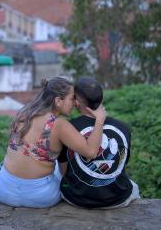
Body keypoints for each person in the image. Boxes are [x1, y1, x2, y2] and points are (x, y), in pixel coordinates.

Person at [0, 77, 107, 208]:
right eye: (72, 98)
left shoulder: (24, 113)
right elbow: (91, 152)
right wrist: (99, 120)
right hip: (39, 197)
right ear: (58, 101)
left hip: (3, 191)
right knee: (62, 168)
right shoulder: (59, 125)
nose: (76, 103)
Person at [58, 76, 140, 209]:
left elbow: (63, 170)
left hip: (76, 199)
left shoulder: (67, 128)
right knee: (134, 186)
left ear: (77, 102)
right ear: (102, 99)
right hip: (118, 200)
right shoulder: (124, 128)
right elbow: (122, 163)